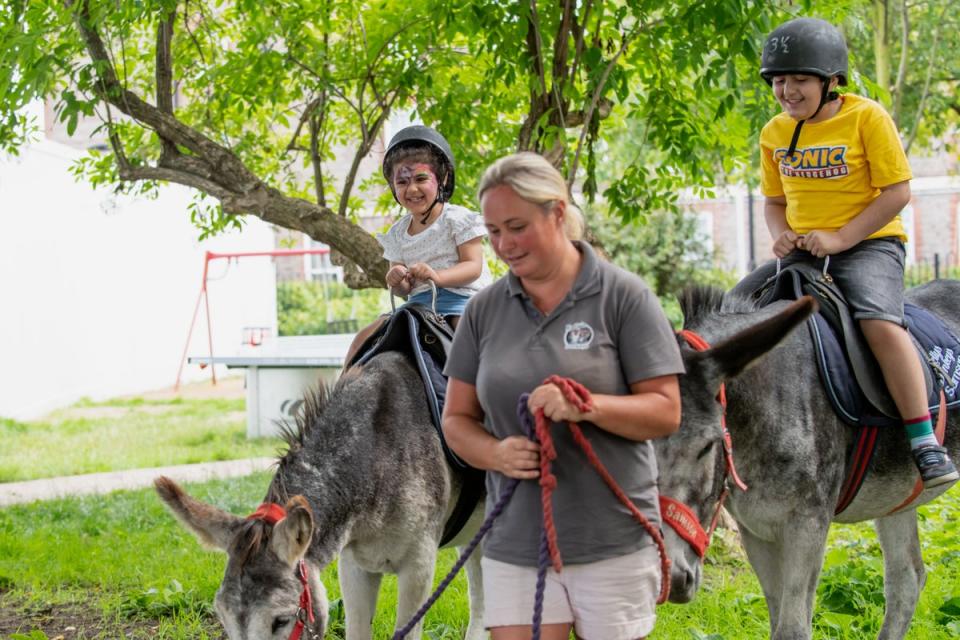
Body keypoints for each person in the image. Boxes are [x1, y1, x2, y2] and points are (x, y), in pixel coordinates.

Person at [442, 152, 684, 640]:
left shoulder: (625, 297)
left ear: (556, 211)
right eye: (493, 232)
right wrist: (495, 452)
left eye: (516, 227)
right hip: (514, 540)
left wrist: (588, 406)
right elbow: (456, 420)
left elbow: (666, 411)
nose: (504, 245)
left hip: (611, 540)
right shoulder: (483, 311)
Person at [741, 17, 957, 487]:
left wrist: (841, 238)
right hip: (803, 250)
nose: (787, 90)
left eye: (799, 79)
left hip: (869, 245)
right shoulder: (775, 133)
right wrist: (780, 234)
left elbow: (897, 192)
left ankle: (924, 440)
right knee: (732, 312)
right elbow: (775, 202)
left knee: (878, 321)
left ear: (831, 80)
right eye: (779, 80)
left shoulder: (867, 117)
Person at [344, 125, 492, 365]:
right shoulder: (397, 233)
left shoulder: (458, 219)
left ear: (442, 178)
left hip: (461, 302)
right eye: (402, 182)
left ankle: (486, 396)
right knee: (362, 338)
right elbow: (403, 289)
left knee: (469, 341)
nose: (411, 189)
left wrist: (437, 276)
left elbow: (473, 266)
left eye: (421, 178)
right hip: (417, 307)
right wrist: (397, 280)